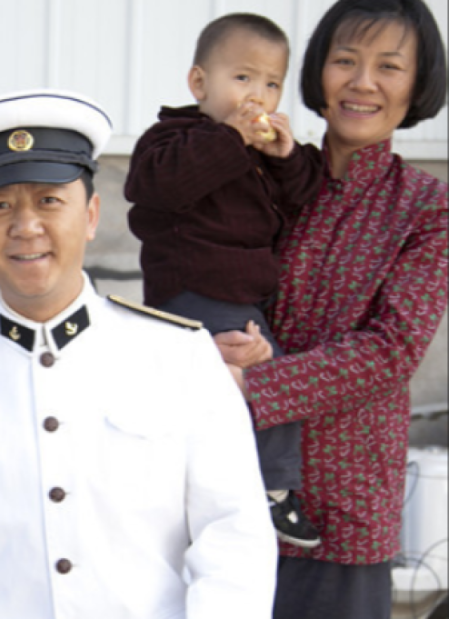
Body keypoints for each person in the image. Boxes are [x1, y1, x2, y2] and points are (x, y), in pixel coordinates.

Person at [0, 89, 277, 619]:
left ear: (91, 215)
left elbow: (233, 532)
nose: (26, 227)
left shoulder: (179, 354)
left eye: (49, 201)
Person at [212, 1, 448, 617]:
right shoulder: (265, 179)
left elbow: (391, 351)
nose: (362, 82)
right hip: (223, 492)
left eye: (389, 66)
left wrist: (253, 384)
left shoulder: (427, 208)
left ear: (418, 84)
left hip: (341, 508)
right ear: (319, 71)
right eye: (345, 61)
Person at [124, 12, 324, 549]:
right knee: (270, 376)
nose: (258, 95)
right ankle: (274, 492)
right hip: (196, 288)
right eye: (242, 77)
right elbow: (156, 186)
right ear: (199, 83)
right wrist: (230, 137)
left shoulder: (260, 154)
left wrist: (285, 157)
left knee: (244, 385)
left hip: (241, 297)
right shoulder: (175, 138)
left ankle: (233, 489)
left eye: (272, 84)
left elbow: (304, 196)